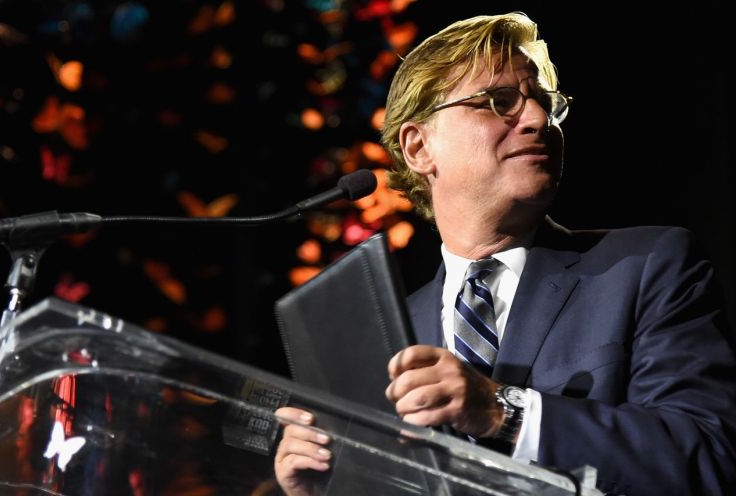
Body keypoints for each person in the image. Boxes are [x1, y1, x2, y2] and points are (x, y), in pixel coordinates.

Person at [273, 12, 736, 495]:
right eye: (499, 101)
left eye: (545, 104)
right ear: (419, 147)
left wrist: (504, 413)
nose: (537, 120)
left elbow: (710, 457)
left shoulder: (646, 266)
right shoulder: (388, 336)